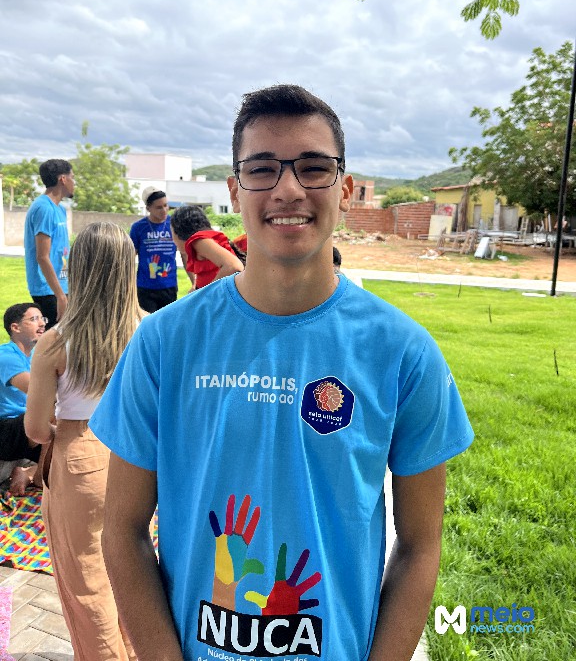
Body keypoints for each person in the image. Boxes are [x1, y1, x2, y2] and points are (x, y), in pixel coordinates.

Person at [90, 84, 474, 661]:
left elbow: (420, 546)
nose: (288, 189)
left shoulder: (403, 352)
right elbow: (122, 531)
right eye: (263, 168)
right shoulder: (164, 343)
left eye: (313, 168)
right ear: (234, 190)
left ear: (345, 189)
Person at [25, 222, 143, 661]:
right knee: (132, 570)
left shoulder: (55, 341)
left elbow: (36, 429)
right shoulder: (150, 329)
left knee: (86, 580)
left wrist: (61, 431)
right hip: (137, 456)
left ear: (78, 269)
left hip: (81, 455)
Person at [0, 303, 45, 495]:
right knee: (54, 414)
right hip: (6, 429)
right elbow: (40, 392)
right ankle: (39, 475)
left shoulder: (36, 355)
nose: (42, 323)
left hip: (27, 428)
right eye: (34, 319)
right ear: (15, 327)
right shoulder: (6, 356)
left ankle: (29, 472)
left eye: (43, 318)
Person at [24, 159, 74, 329]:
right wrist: (60, 296)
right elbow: (42, 256)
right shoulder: (44, 208)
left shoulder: (59, 209)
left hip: (60, 287)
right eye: (72, 177)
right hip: (47, 290)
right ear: (63, 179)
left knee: (64, 338)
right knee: (53, 340)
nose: (74, 182)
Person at [129, 187, 180, 312]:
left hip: (169, 285)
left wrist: (193, 281)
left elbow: (184, 254)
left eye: (166, 205)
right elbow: (130, 257)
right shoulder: (138, 228)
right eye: (159, 207)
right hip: (145, 287)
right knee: (148, 321)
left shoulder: (174, 224)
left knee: (168, 322)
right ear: (148, 208)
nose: (164, 210)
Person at [170, 205, 244, 289]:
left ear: (179, 230)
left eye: (172, 231)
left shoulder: (199, 241)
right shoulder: (202, 242)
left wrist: (205, 293)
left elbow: (233, 266)